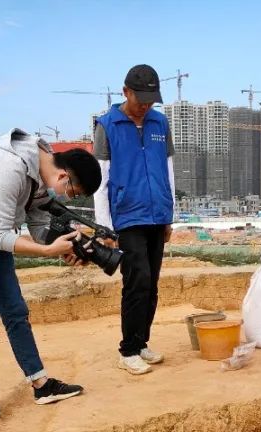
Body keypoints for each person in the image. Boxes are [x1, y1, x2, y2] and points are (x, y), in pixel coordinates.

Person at [0, 129, 102, 419]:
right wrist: (48, 252)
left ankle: (41, 384)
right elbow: (1, 237)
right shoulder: (8, 168)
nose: (65, 195)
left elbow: (38, 227)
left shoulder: (39, 174)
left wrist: (65, 246)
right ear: (64, 177)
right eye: (73, 192)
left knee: (15, 310)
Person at [94, 64, 176, 376]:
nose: (145, 106)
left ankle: (142, 343)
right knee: (136, 279)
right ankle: (127, 350)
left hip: (157, 214)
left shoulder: (159, 122)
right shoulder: (108, 125)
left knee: (151, 282)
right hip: (126, 216)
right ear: (125, 92)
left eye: (150, 100)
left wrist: (169, 215)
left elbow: (167, 168)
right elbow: (101, 182)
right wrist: (106, 228)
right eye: (140, 99)